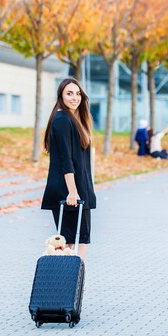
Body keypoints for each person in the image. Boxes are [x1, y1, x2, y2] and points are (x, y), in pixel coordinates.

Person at [41, 78, 96, 261]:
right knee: (67, 243)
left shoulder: (74, 120)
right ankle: (62, 284)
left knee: (79, 240)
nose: (75, 97)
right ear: (61, 96)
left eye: (78, 93)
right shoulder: (62, 119)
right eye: (69, 93)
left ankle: (75, 285)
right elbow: (66, 159)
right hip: (70, 191)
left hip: (79, 189)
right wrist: (72, 191)